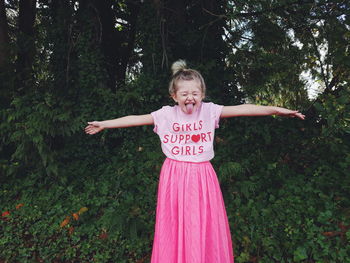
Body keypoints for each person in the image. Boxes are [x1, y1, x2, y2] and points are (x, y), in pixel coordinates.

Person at [85, 60, 305, 263]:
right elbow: (135, 119)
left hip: (202, 175)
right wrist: (105, 123)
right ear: (174, 96)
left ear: (202, 94)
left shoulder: (210, 111)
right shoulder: (165, 114)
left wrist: (276, 110)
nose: (190, 97)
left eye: (195, 93)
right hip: (174, 175)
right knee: (175, 224)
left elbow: (243, 109)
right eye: (184, 93)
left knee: (202, 223)